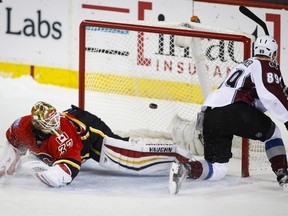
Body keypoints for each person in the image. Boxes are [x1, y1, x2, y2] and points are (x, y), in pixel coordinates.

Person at [169, 35, 288, 194]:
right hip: (235, 111)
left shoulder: (243, 65)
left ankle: (186, 168)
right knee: (273, 133)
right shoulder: (267, 64)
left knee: (218, 168)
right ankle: (283, 176)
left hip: (209, 115)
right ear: (273, 53)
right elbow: (270, 95)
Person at [0, 101, 192, 188]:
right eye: (50, 125)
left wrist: (52, 175)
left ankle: (177, 156)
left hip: (91, 133)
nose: (55, 126)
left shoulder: (62, 133)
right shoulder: (21, 126)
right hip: (78, 134)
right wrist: (8, 165)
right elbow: (14, 143)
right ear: (36, 124)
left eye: (55, 121)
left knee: (127, 156)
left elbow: (69, 168)